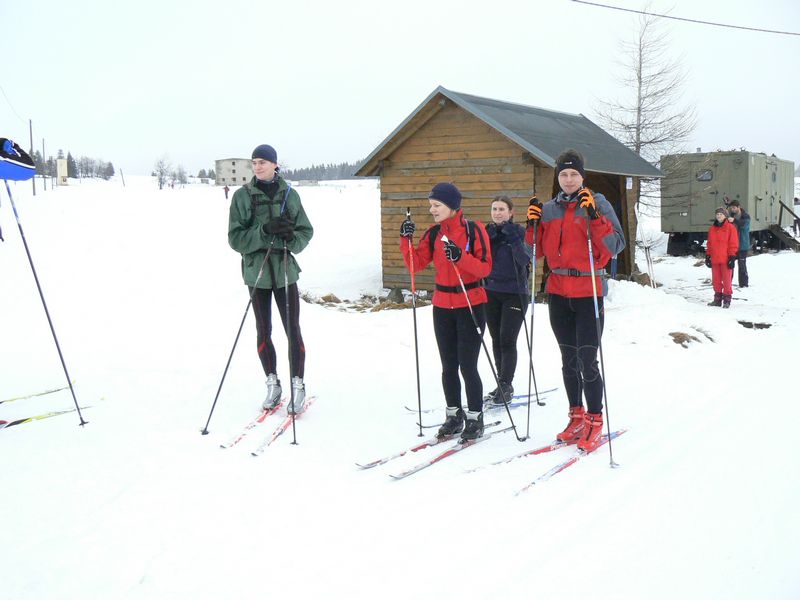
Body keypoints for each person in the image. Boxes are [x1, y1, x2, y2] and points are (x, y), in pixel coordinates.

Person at [525, 149, 625, 452]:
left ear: (583, 176)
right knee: (568, 361)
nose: (568, 179)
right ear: (558, 178)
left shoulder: (599, 204)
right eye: (563, 175)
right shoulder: (550, 209)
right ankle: (576, 415)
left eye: (573, 174)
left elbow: (615, 246)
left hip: (588, 291)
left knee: (587, 361)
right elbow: (535, 251)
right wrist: (531, 226)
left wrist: (594, 216)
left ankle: (595, 419)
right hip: (558, 292)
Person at [400, 183, 492, 441]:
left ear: (452, 206)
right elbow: (415, 265)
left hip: (471, 303)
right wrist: (405, 239)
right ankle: (454, 415)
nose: (432, 210)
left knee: (468, 365)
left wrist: (460, 256)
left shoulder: (475, 231)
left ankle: (475, 417)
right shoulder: (433, 234)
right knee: (448, 365)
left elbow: (485, 269)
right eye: (431, 205)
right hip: (442, 306)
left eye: (436, 205)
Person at [228, 144, 314, 413]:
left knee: (293, 329)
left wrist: (292, 238)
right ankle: (272, 382)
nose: (257, 167)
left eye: (263, 162)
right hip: (257, 272)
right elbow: (235, 239)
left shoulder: (290, 195)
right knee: (263, 330)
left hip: (286, 269)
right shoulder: (242, 197)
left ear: (275, 164)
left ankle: (297, 384)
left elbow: (305, 232)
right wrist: (264, 231)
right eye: (254, 162)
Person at [483, 195, 533, 405]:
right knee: (495, 338)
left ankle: (506, 384)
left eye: (502, 209)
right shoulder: (488, 233)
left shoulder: (519, 232)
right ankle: (501, 383)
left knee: (507, 339)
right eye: (494, 209)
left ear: (511, 212)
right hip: (490, 290)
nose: (497, 213)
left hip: (515, 292)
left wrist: (513, 240)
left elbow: (525, 259)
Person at [705, 206, 739, 308]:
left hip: (726, 259)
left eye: (721, 214)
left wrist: (732, 257)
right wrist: (708, 256)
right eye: (717, 214)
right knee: (716, 280)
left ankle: (727, 300)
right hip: (715, 258)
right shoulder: (712, 229)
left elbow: (733, 243)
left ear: (725, 216)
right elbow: (710, 244)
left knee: (727, 281)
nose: (719, 216)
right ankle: (717, 300)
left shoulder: (730, 228)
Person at [726, 199, 750, 287]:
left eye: (734, 208)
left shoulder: (745, 216)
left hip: (742, 245)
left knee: (742, 265)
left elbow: (744, 225)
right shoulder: (731, 215)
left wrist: (734, 221)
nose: (732, 209)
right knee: (730, 265)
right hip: (732, 245)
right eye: (731, 208)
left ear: (738, 207)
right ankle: (728, 282)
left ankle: (744, 284)